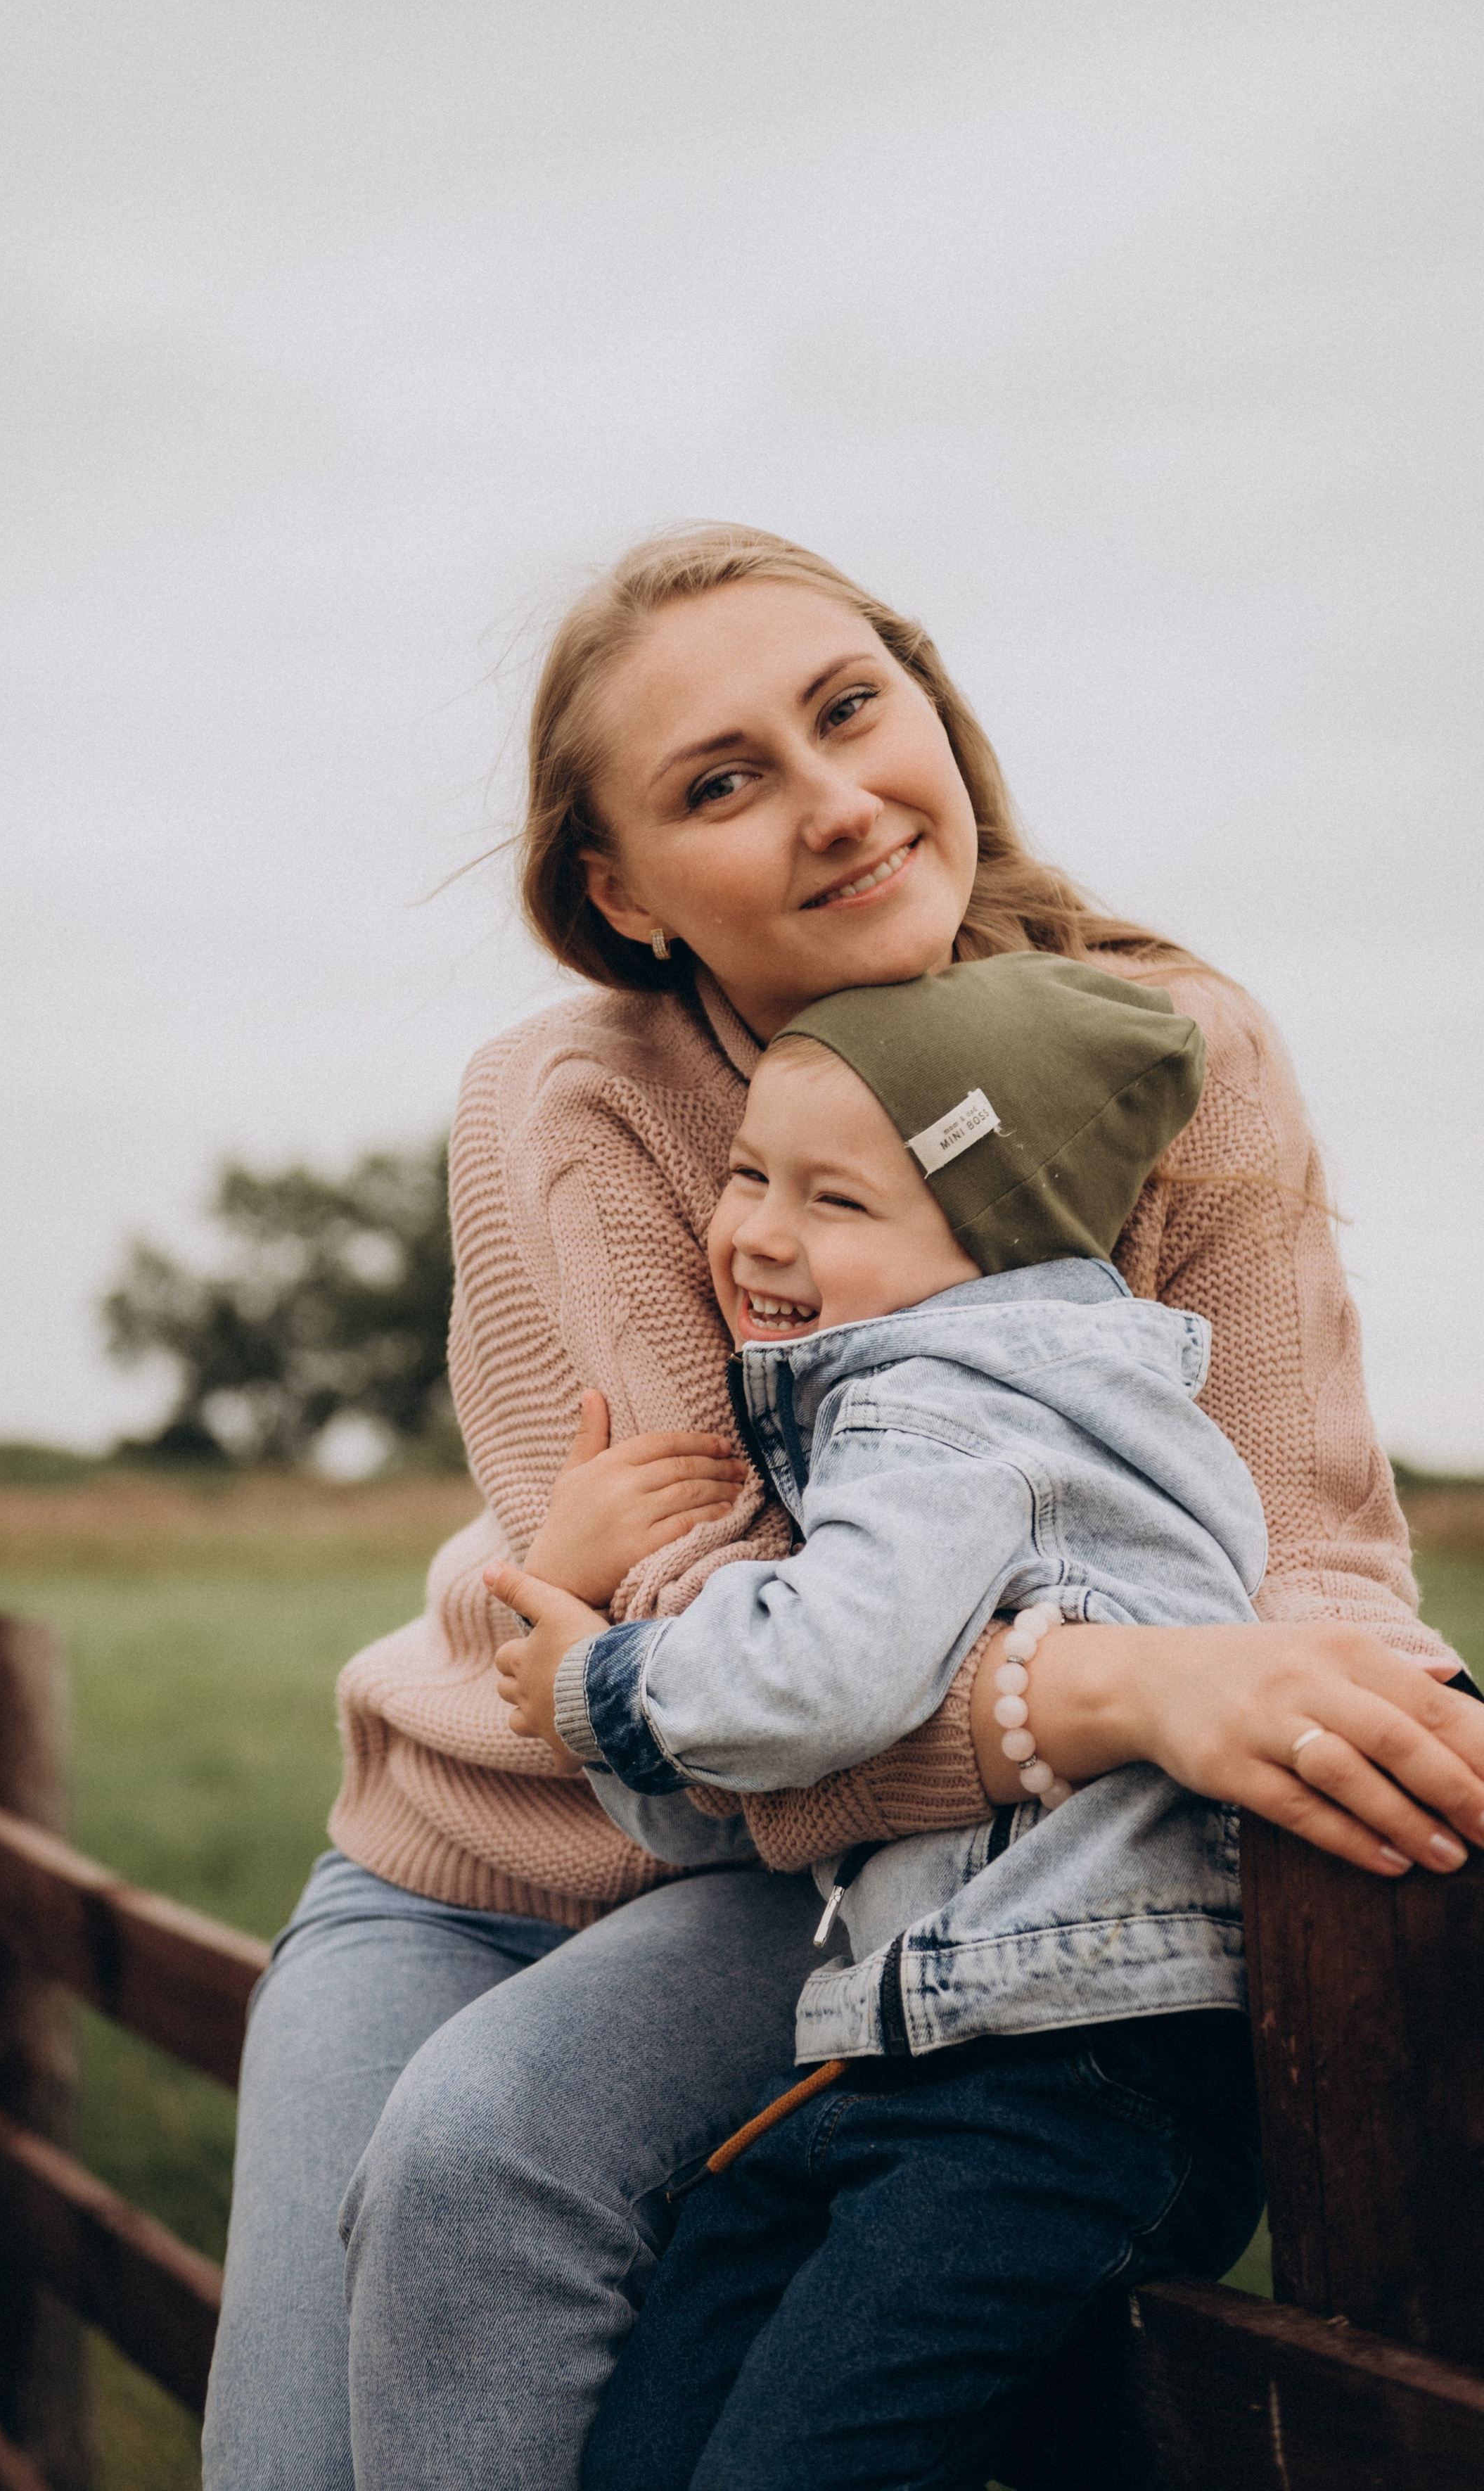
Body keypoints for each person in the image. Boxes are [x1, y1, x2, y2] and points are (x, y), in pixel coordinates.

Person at [200, 526, 1484, 2491]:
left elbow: (1307, 1536)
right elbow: (724, 1641)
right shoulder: (574, 1102)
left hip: (839, 1885)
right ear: (618, 889)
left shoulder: (1168, 1051)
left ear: (930, 703)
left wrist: (1364, 1719)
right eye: (723, 781)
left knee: (487, 2153)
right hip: (498, 1848)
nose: (835, 804)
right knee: (299, 2456)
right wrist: (1125, 1698)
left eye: (848, 709)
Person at [491, 953, 1271, 2490]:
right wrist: (619, 1717)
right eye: (746, 1172)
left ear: (984, 1249)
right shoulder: (945, 1404)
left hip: (1061, 2073)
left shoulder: (944, 1413)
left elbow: (811, 1680)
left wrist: (602, 1678)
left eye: (835, 1202)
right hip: (917, 2054)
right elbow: (750, 1767)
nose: (758, 1233)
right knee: (659, 2431)